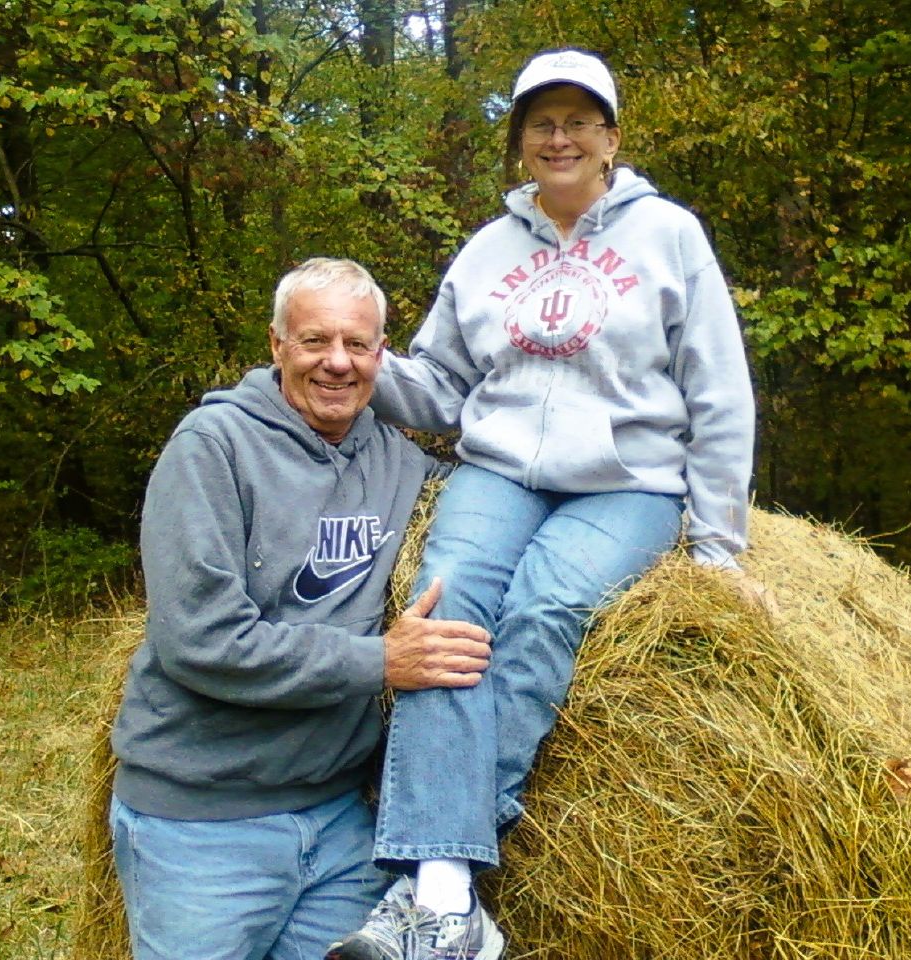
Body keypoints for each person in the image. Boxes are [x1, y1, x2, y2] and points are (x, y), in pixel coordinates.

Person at [327, 49, 768, 960]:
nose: (559, 138)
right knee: (444, 602)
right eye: (541, 124)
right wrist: (363, 368)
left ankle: (434, 875)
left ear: (611, 138)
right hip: (499, 471)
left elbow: (719, 392)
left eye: (578, 121)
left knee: (547, 606)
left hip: (630, 483)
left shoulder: (669, 236)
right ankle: (450, 901)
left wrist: (719, 550)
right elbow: (444, 386)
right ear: (522, 144)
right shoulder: (488, 252)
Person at [109, 257, 494, 960]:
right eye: (315, 341)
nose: (337, 364)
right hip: (204, 826)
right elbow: (201, 641)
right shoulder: (212, 449)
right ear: (277, 345)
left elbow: (490, 516)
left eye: (358, 344)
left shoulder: (396, 459)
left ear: (384, 354)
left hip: (341, 826)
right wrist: (382, 661)